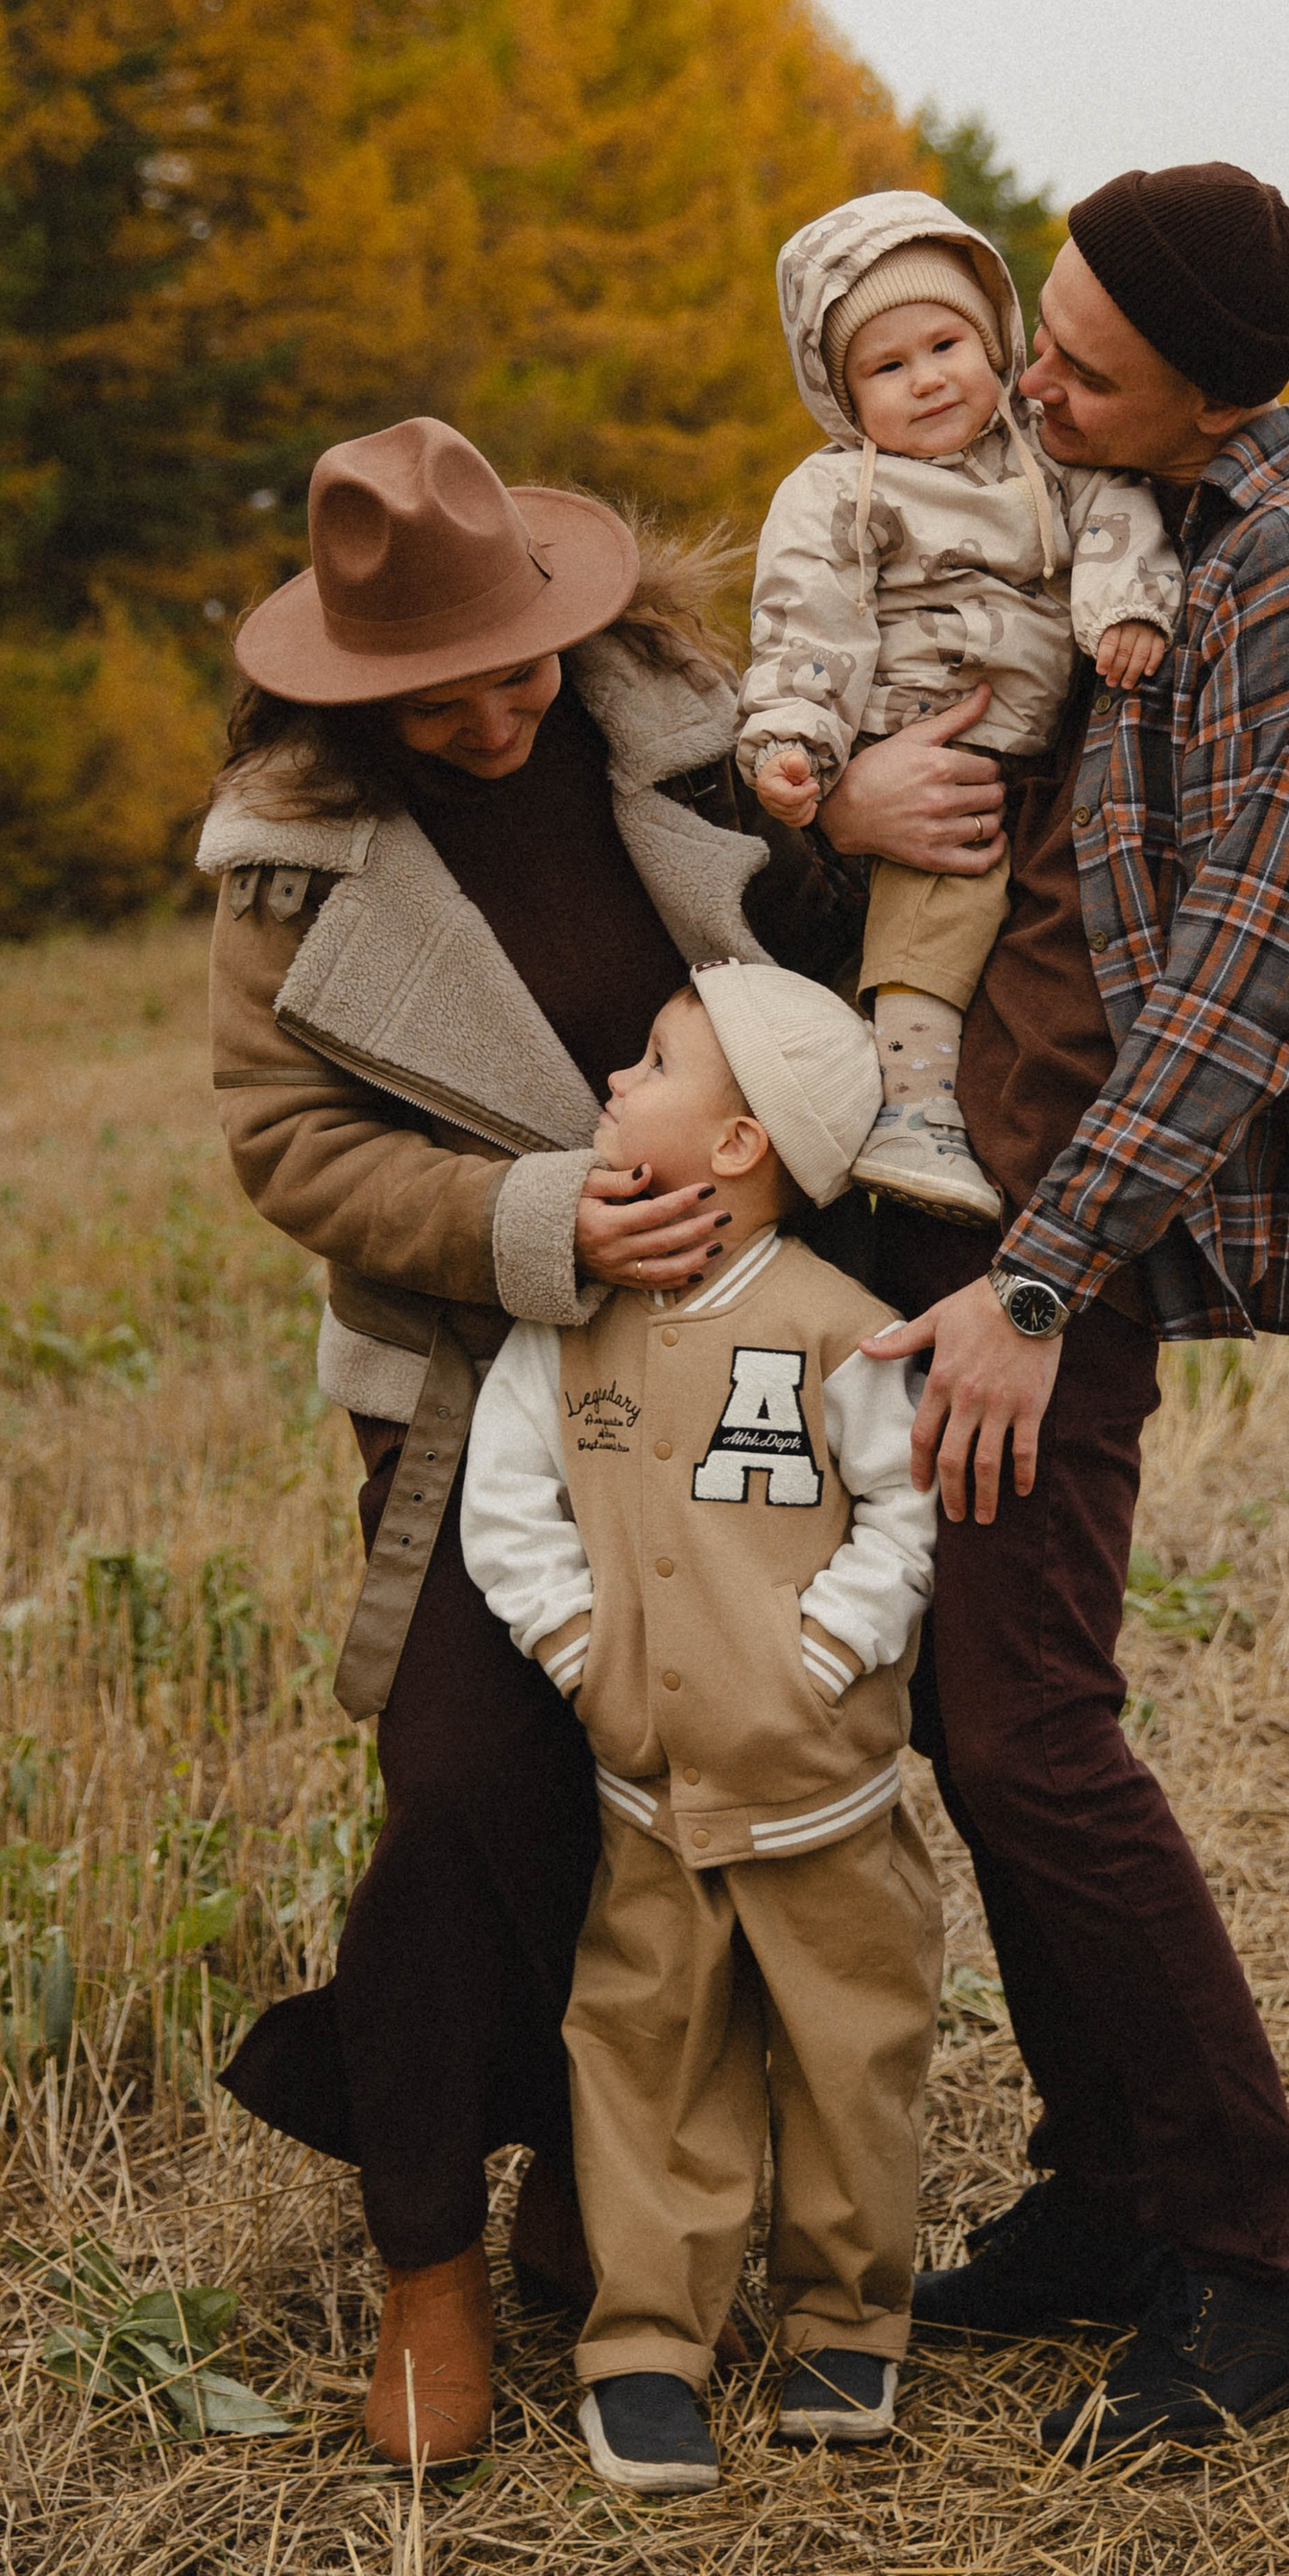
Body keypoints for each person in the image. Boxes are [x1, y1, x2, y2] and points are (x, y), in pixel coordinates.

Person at [200, 416, 1000, 2467]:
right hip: (485, 1374)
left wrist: (868, 811)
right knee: (467, 1774)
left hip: (746, 1351)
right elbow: (286, 1144)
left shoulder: (688, 724)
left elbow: (824, 960)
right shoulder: (289, 861)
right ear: (343, 688)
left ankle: (607, 2181)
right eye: (436, 689)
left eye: (518, 661)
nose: (492, 710)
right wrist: (532, 1219)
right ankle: (425, 2264)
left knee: (690, 1766)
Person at [863, 161, 1289, 2460]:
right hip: (985, 1189)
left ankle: (1242, 2251)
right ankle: (1104, 2190)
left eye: (1083, 364)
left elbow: (1237, 983)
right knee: (959, 1698)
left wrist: (1032, 1274)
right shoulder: (1129, 525)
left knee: (1027, 1724)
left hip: (1067, 1224)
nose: (1032, 378)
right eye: (1047, 335)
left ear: (1212, 390)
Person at [463, 961, 940, 2496]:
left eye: (652, 1062)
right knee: (647, 2059)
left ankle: (845, 2317)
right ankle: (650, 2346)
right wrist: (583, 1646)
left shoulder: (835, 1329)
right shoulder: (572, 1325)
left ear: (738, 1146)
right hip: (649, 1799)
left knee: (849, 2054)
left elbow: (904, 1512)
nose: (613, 1079)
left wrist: (827, 1650)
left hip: (823, 1797)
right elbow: (506, 1506)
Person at [739, 193, 1181, 1223]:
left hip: (1044, 747)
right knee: (941, 897)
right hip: (919, 734)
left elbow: (1122, 507)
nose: (928, 378)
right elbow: (809, 621)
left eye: (945, 344)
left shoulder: (1044, 453)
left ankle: (1023, 1140)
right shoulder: (840, 490)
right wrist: (797, 739)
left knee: (1038, 946)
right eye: (886, 369)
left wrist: (1123, 604)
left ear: (993, 339)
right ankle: (913, 1106)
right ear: (844, 396)